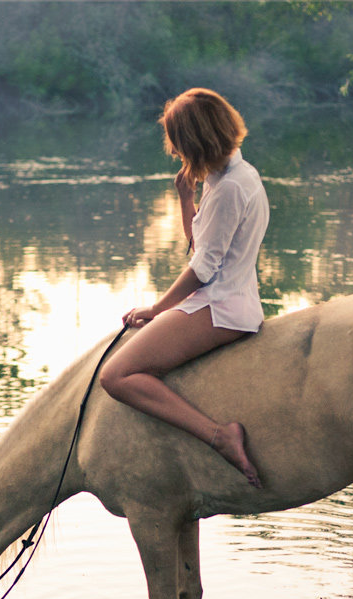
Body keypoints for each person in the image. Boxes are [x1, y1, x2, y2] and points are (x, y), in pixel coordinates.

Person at [99, 88, 268, 489]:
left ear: (195, 140)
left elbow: (203, 269)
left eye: (178, 143)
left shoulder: (229, 187)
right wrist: (185, 198)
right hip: (226, 296)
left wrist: (158, 309)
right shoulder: (230, 176)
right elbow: (203, 247)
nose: (175, 152)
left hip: (222, 305)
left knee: (116, 376)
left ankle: (219, 437)